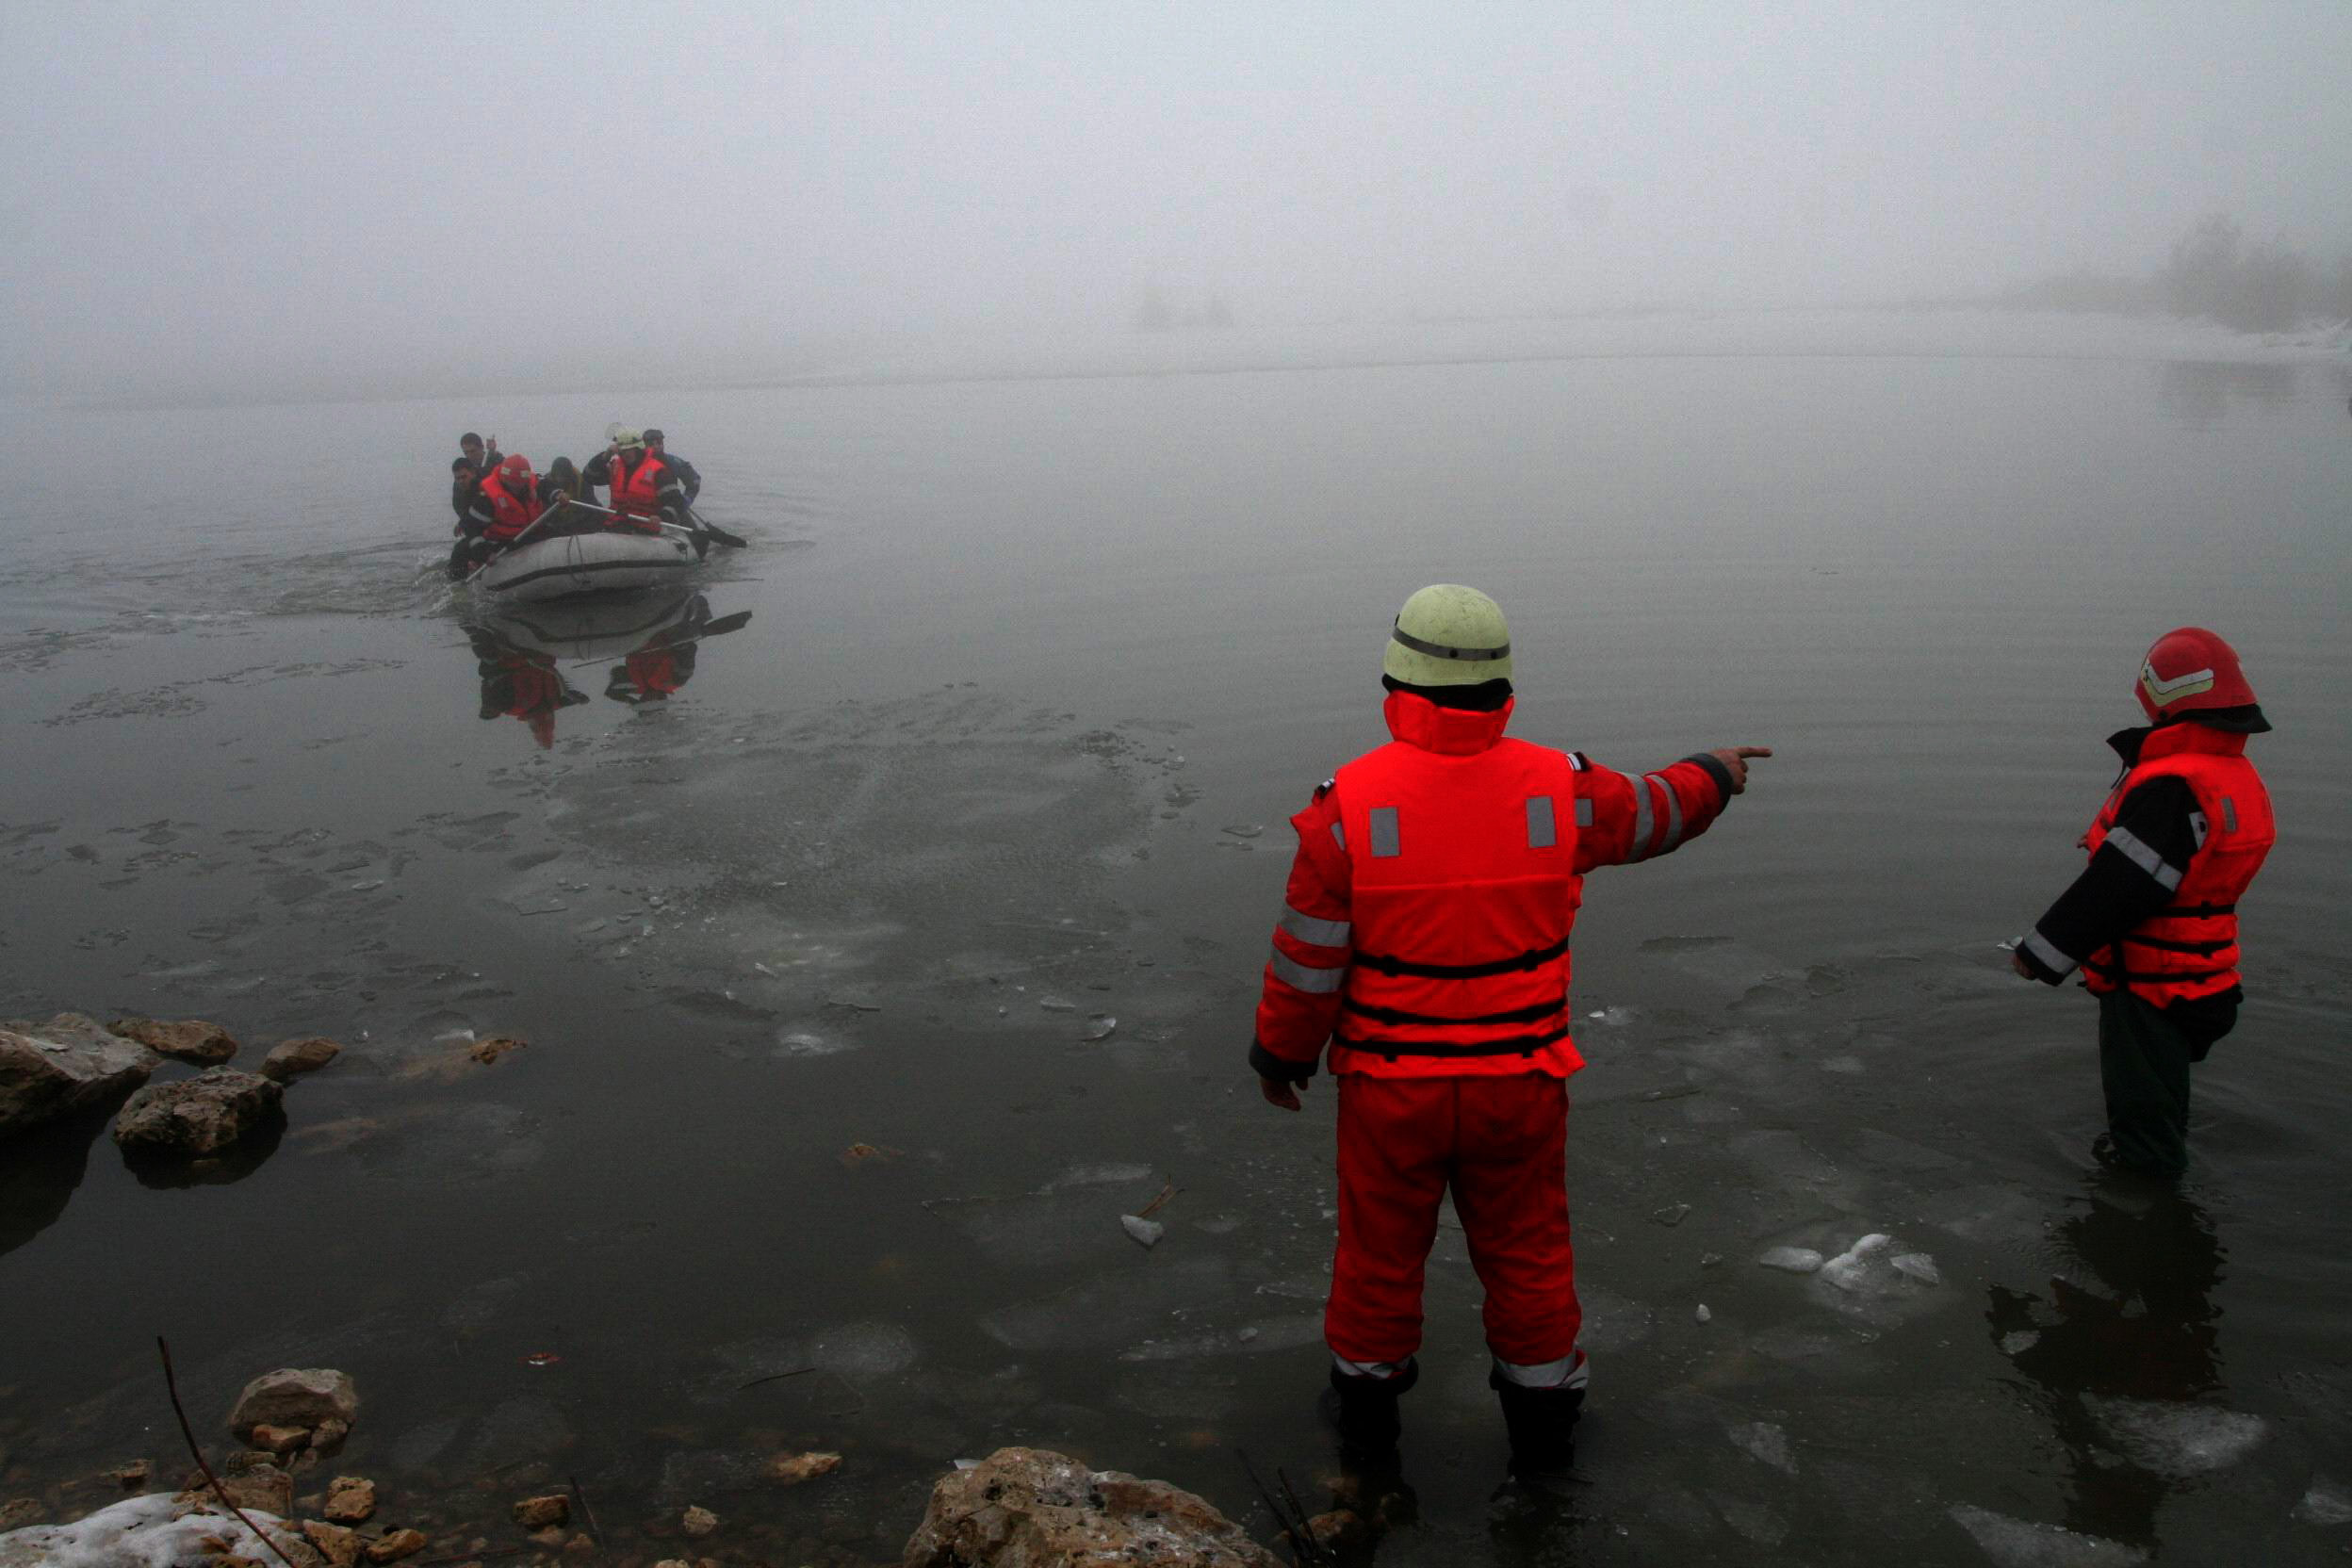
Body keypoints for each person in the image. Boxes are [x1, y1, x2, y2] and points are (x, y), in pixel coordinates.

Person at [1248, 583, 1771, 1483]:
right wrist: (1716, 770)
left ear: (1395, 685)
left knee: (1377, 1258)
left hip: (1391, 1092)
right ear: (1503, 687)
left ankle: (1368, 1439)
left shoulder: (1349, 807)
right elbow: (1655, 812)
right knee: (1529, 1256)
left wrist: (1280, 1056)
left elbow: (1308, 961)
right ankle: (1544, 1443)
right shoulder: (1560, 788)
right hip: (1518, 1085)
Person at [2010, 627, 2275, 1178]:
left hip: (2150, 990)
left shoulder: (2170, 786)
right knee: (2163, 1110)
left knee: (2145, 1142)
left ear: (2163, 696)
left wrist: (2039, 952)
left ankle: (2148, 1234)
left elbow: (2120, 886)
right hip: (2207, 979)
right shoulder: (2231, 772)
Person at [448, 454, 547, 579]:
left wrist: (557, 494)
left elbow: (547, 486)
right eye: (513, 484)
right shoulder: (487, 498)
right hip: (496, 539)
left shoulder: (532, 484)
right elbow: (471, 526)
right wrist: (484, 554)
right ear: (505, 480)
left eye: (520, 484)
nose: (517, 488)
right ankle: (460, 579)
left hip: (525, 534)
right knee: (461, 550)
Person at [581, 429, 689, 535]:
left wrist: (662, 516)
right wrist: (605, 456)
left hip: (645, 529)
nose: (626, 454)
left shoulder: (659, 471)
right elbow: (588, 477)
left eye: (630, 450)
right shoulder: (614, 467)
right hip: (616, 526)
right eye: (622, 450)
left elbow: (676, 502)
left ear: (639, 449)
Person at [643, 429, 702, 506]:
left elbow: (694, 481)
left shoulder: (674, 462)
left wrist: (686, 499)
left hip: (669, 507)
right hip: (642, 506)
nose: (656, 446)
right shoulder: (636, 462)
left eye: (659, 443)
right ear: (644, 445)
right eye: (651, 444)